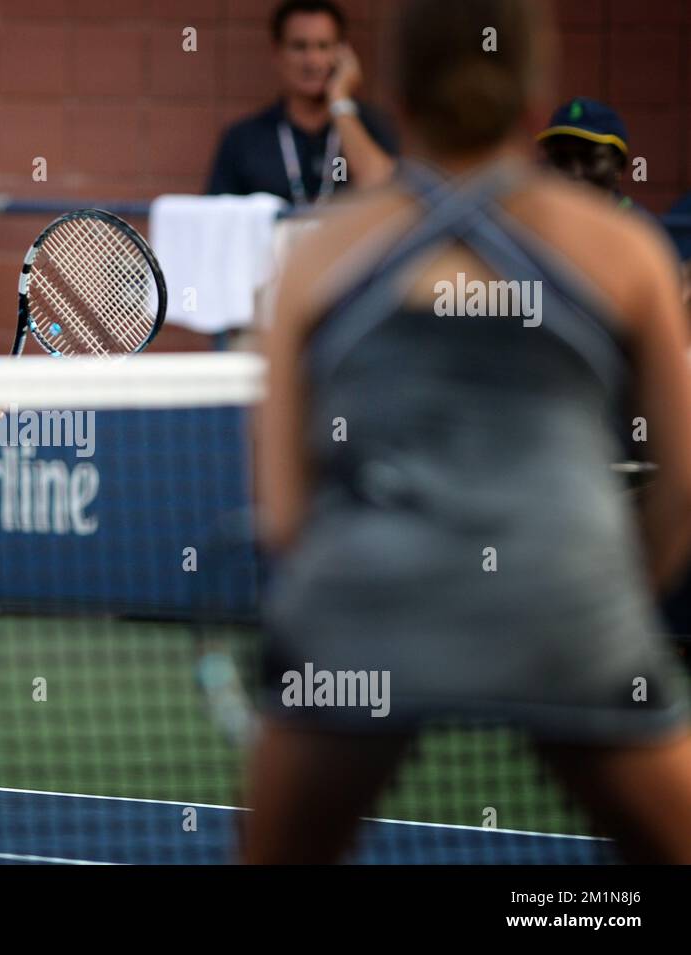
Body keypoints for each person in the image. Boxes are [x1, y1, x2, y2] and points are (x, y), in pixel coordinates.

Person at [248, 0, 691, 863]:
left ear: (397, 97)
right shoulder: (629, 251)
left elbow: (286, 518)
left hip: (361, 613)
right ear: (536, 95)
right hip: (571, 601)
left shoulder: (311, 256)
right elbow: (682, 482)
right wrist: (605, 596)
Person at [205, 0, 397, 205]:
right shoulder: (243, 139)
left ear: (342, 54)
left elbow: (385, 188)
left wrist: (340, 101)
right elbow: (217, 221)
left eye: (323, 46)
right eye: (299, 46)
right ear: (278, 53)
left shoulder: (371, 127)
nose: (312, 61)